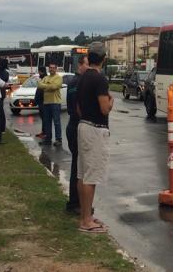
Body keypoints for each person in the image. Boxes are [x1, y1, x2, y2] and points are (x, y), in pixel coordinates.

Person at [76, 42, 113, 233]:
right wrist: (111, 100)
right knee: (91, 177)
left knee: (83, 175)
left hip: (83, 126)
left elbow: (78, 108)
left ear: (89, 58)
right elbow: (104, 108)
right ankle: (86, 221)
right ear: (104, 59)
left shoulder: (82, 78)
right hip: (96, 129)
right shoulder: (100, 80)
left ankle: (85, 216)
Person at [65, 55, 88, 214]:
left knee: (76, 166)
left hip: (72, 125)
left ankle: (75, 202)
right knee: (79, 169)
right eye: (88, 64)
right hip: (77, 126)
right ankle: (76, 203)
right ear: (80, 65)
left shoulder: (73, 81)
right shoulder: (80, 82)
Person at [38, 64, 63, 146]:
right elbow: (39, 85)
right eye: (50, 68)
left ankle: (58, 139)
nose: (51, 69)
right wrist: (49, 86)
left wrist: (45, 86)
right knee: (47, 122)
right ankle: (48, 139)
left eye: (53, 68)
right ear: (48, 69)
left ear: (56, 69)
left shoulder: (58, 77)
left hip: (55, 103)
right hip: (46, 103)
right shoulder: (46, 78)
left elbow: (54, 87)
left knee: (56, 122)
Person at [0, 58, 10, 133]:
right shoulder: (6, 73)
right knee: (0, 110)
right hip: (2, 93)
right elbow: (5, 82)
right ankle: (2, 127)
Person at [34, 66, 47, 139]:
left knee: (44, 118)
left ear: (41, 71)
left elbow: (41, 90)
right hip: (41, 101)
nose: (38, 73)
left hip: (43, 101)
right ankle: (43, 131)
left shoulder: (45, 78)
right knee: (43, 117)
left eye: (39, 71)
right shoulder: (42, 78)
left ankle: (45, 133)